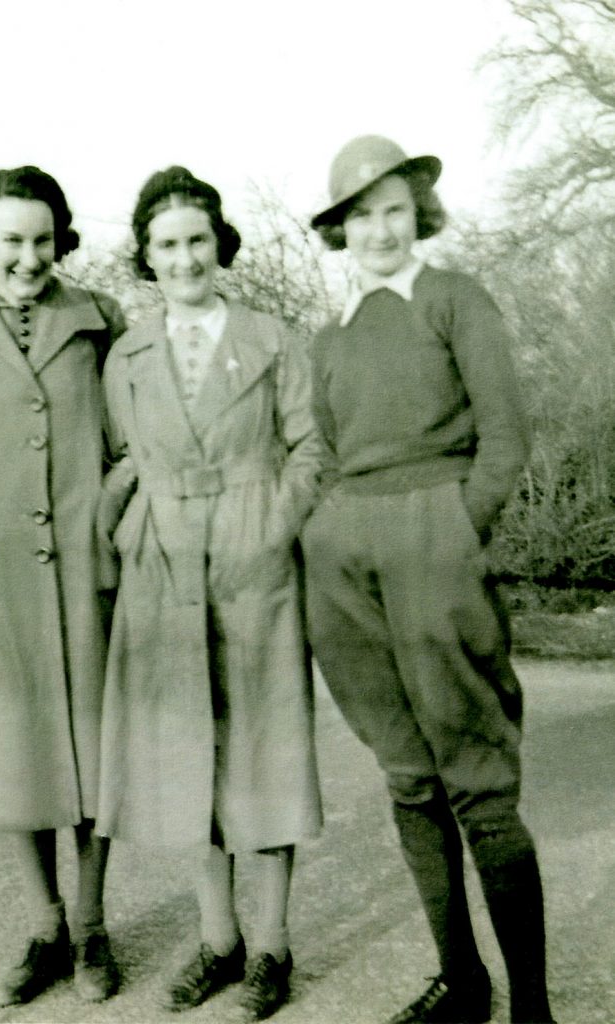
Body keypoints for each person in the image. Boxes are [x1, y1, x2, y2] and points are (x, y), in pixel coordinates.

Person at [303, 136, 556, 1024]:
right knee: (408, 776)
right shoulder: (327, 337)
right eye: (361, 215)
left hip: (436, 540)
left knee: (478, 777)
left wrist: (456, 528)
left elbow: (506, 437)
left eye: (395, 211)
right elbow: (324, 459)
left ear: (420, 216)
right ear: (341, 228)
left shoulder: (455, 299)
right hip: (345, 559)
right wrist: (323, 538)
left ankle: (531, 1004)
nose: (379, 230)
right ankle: (463, 981)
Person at [95, 165, 323, 1021]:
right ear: (146, 258)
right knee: (186, 759)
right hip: (164, 567)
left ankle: (271, 947)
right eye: (166, 245)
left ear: (218, 245)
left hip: (251, 563)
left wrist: (266, 530)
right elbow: (127, 459)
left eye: (196, 240)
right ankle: (217, 940)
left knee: (263, 753)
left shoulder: (271, 339)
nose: (184, 258)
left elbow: (311, 451)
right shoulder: (129, 355)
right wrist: (128, 533)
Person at [0, 166, 126, 1006]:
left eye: (42, 239)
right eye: (10, 239)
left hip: (84, 563)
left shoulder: (98, 320)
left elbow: (129, 432)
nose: (28, 256)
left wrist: (109, 510)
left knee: (88, 747)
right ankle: (43, 924)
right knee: (13, 751)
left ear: (60, 240)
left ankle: (90, 927)